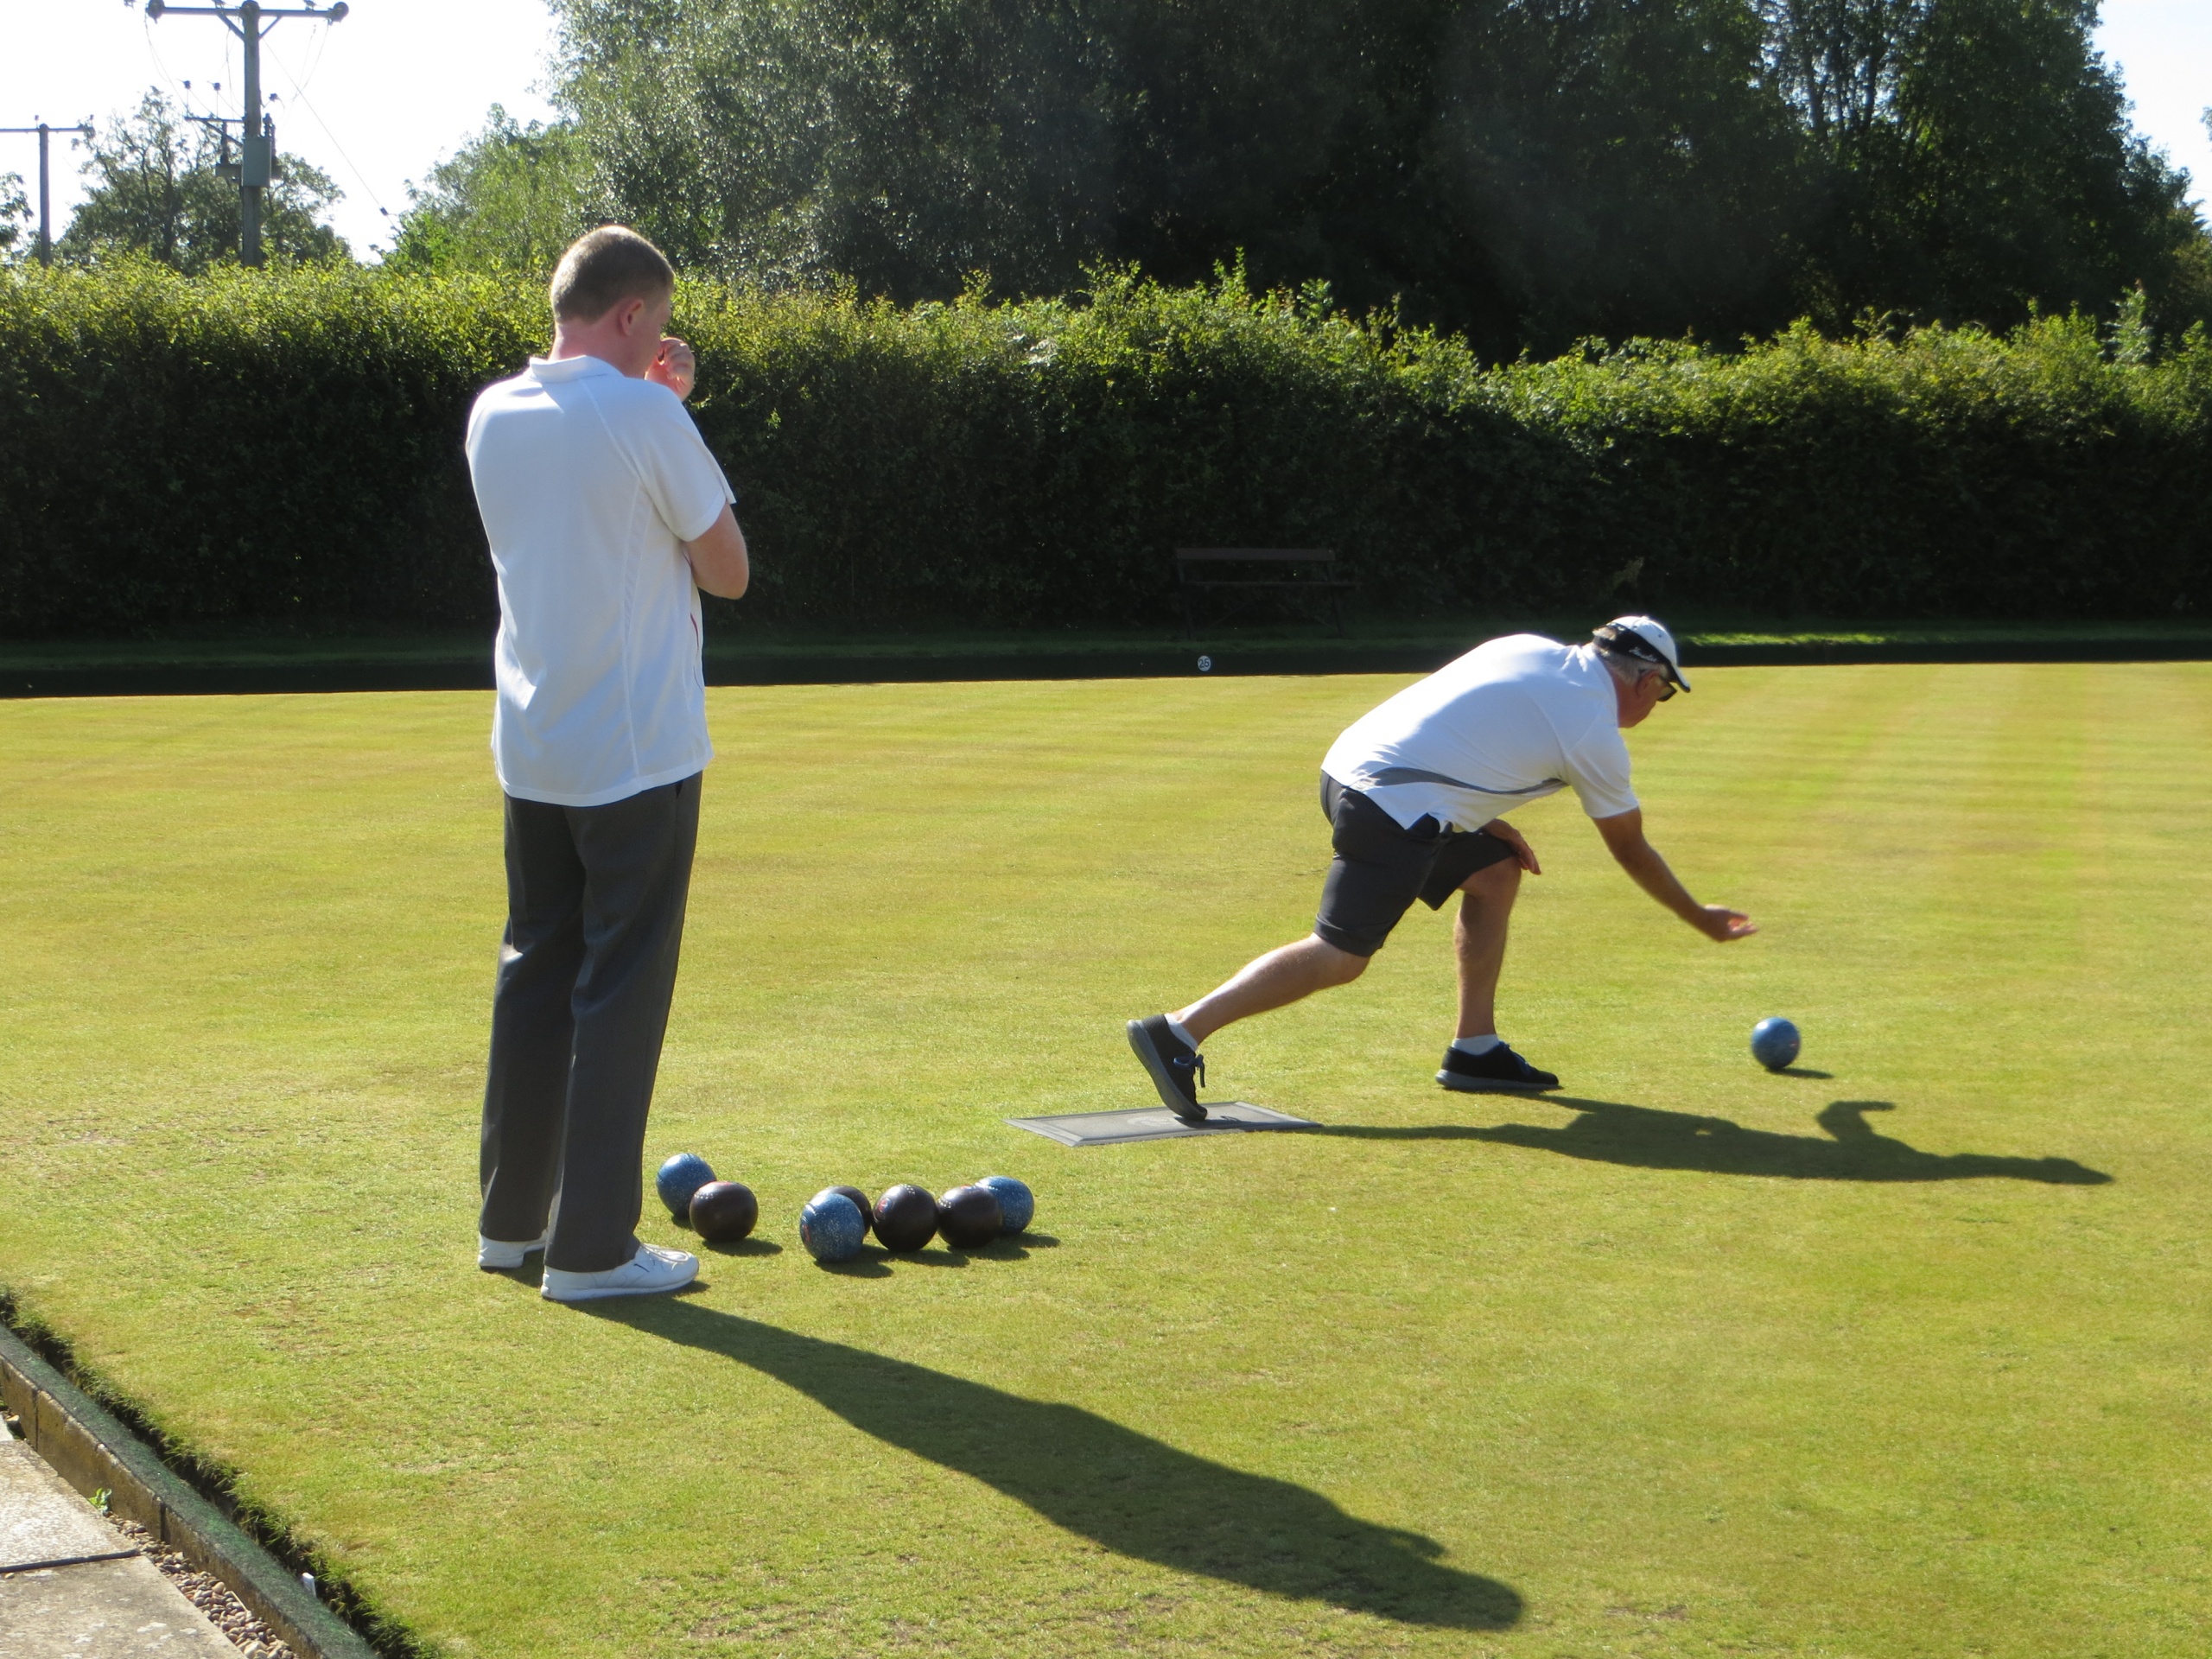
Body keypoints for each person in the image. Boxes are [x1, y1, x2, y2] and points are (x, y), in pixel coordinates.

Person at [1126, 618, 1756, 1117]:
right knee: (1341, 956)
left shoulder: (1531, 648)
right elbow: (1631, 849)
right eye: (1666, 691)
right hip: (1393, 803)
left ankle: (1474, 1048)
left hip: (1347, 769)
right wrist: (1698, 916)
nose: (1659, 702)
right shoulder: (1593, 728)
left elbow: (1464, 730)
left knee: (1495, 872)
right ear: (1647, 679)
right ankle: (1178, 1031)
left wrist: (1479, 816)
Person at [465, 226, 751, 1302]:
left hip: (533, 746)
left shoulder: (494, 409)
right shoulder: (642, 411)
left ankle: (512, 1225)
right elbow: (727, 570)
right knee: (620, 990)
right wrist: (667, 407)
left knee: (534, 974)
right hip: (637, 748)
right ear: (633, 313)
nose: (664, 347)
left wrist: (656, 404)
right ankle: (590, 1250)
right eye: (660, 326)